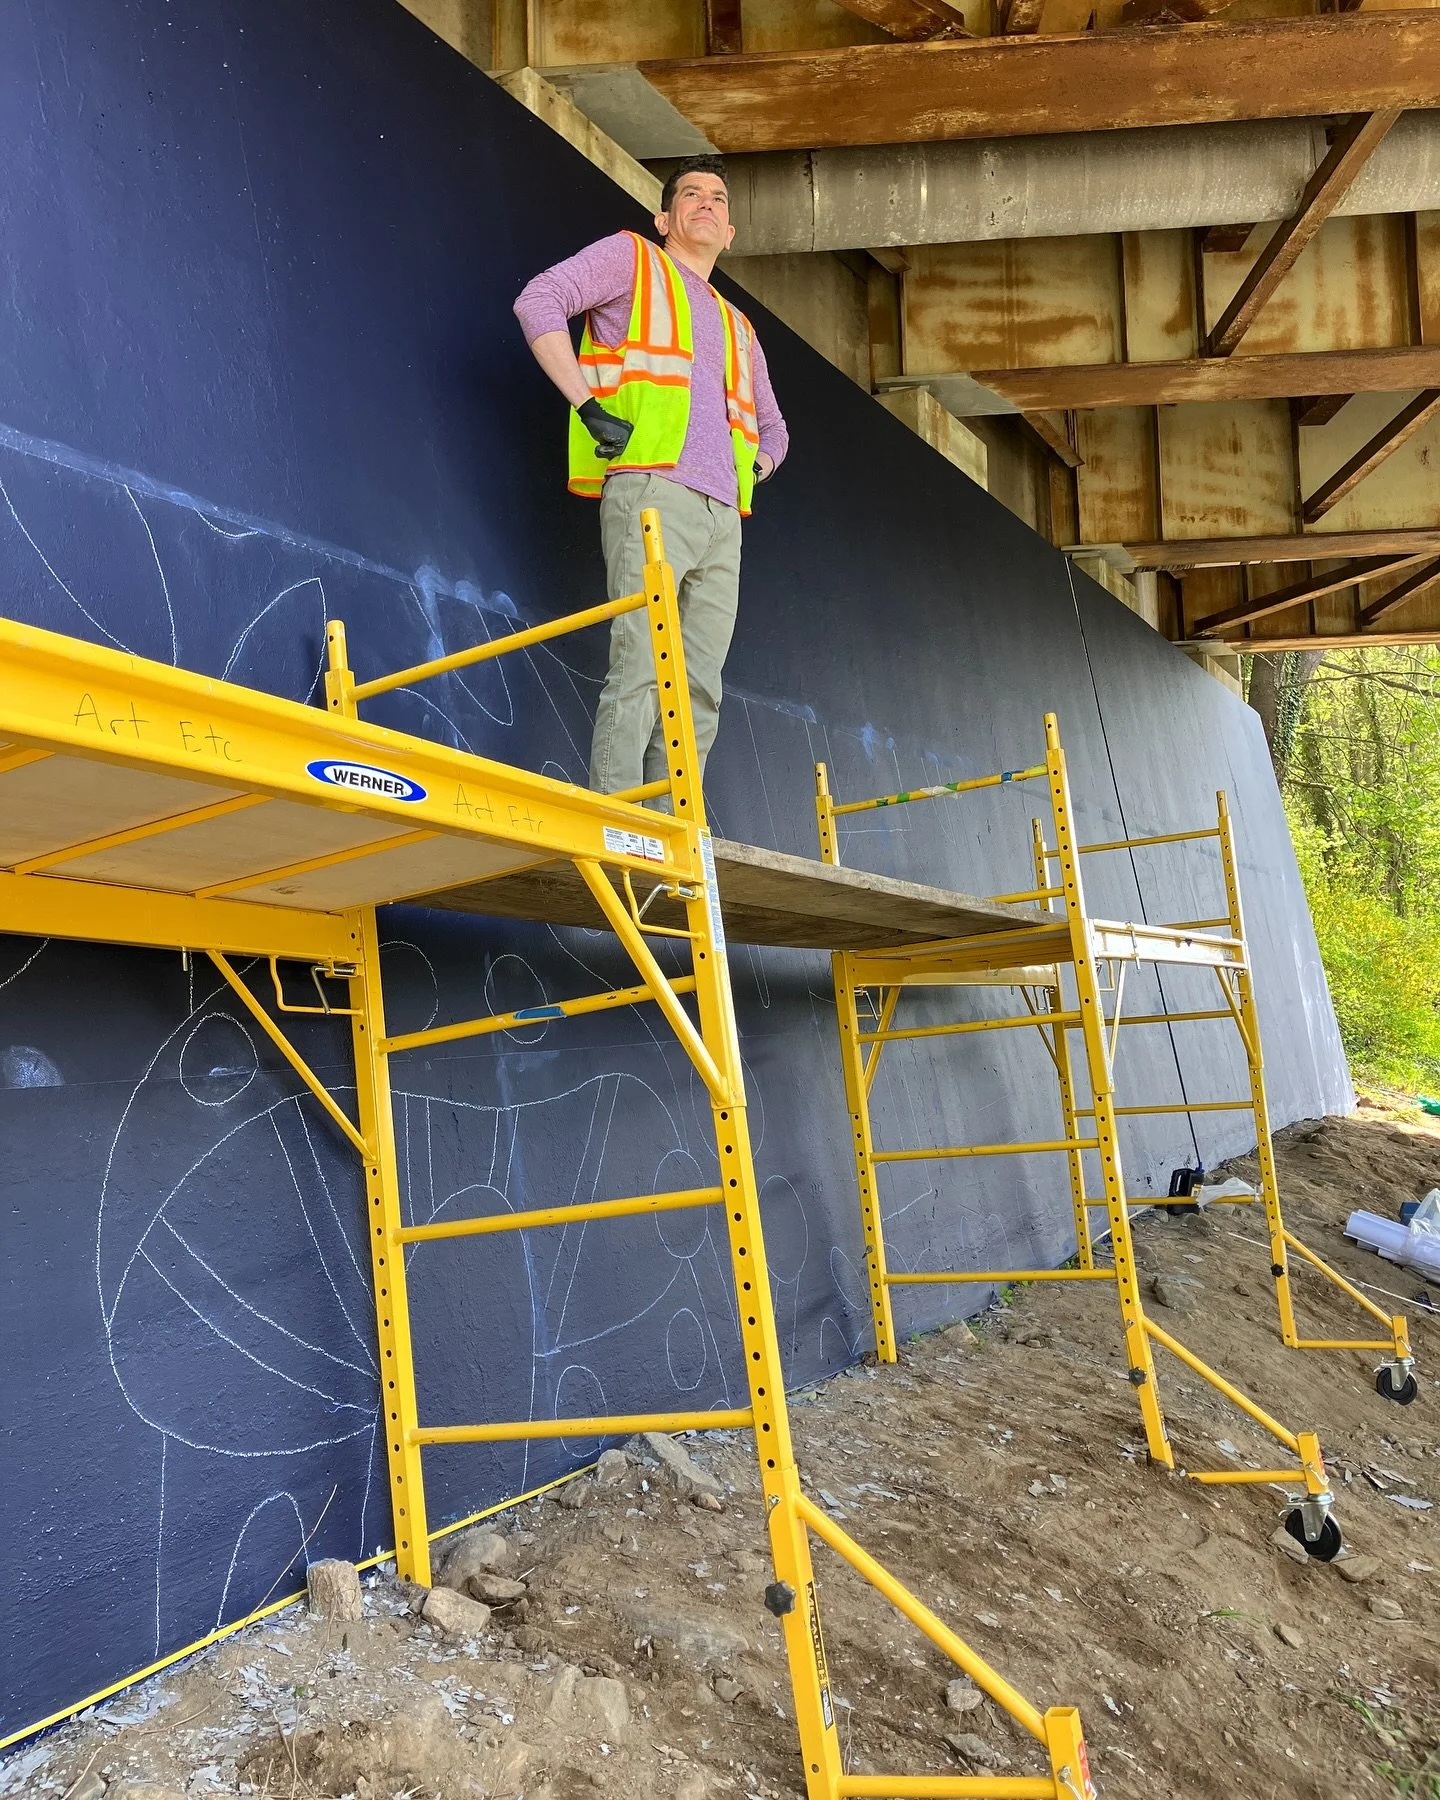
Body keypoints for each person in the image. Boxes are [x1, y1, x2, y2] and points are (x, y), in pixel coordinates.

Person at [514, 155, 788, 800]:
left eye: (719, 199)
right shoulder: (633, 257)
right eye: (690, 194)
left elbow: (775, 427)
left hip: (724, 518)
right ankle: (621, 819)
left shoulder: (738, 324)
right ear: (664, 218)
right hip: (652, 490)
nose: (706, 204)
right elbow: (539, 300)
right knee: (641, 664)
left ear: (731, 231)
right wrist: (586, 405)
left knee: (701, 685)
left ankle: (676, 826)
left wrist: (759, 464)